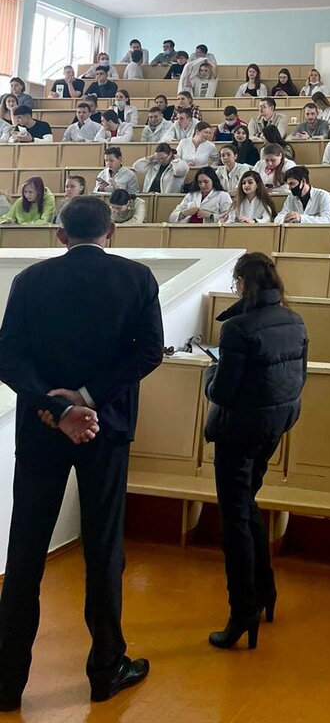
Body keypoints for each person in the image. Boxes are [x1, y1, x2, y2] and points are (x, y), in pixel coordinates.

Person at [0, 196, 162, 708]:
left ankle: (6, 681)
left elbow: (9, 357)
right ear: (111, 231)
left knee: (25, 552)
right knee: (104, 549)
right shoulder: (137, 279)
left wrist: (57, 406)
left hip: (41, 428)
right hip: (106, 428)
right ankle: (106, 668)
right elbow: (149, 352)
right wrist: (87, 401)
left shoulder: (30, 281)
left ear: (60, 235)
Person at [205, 252, 307, 651]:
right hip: (273, 426)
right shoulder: (294, 321)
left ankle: (242, 609)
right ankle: (264, 590)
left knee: (234, 521)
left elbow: (222, 392)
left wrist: (210, 373)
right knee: (247, 505)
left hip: (238, 432)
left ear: (242, 283)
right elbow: (299, 378)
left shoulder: (237, 329)